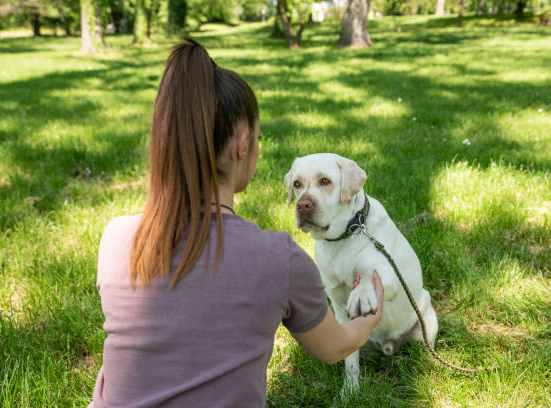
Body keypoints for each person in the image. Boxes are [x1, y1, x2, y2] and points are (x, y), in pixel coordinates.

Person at [89, 36, 384, 408]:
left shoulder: (116, 238)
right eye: (258, 139)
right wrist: (372, 313)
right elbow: (335, 347)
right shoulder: (279, 258)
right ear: (243, 144)